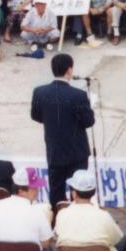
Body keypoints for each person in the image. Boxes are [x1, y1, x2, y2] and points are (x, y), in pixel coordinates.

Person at [29, 53, 95, 206]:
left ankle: (58, 221)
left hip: (54, 150)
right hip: (77, 152)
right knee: (78, 190)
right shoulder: (78, 95)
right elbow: (89, 121)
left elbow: (36, 115)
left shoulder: (39, 92)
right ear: (69, 70)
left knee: (56, 191)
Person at [54, 170, 126, 251]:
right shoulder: (104, 215)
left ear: (74, 193)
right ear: (93, 192)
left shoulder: (62, 214)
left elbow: (57, 236)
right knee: (124, 241)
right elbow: (117, 239)